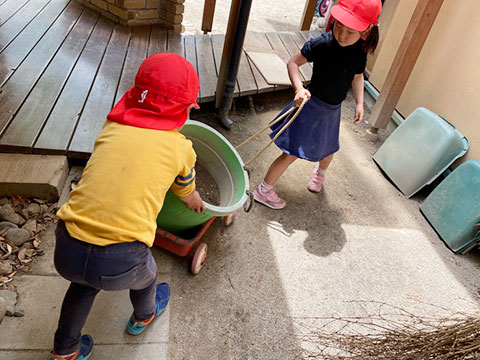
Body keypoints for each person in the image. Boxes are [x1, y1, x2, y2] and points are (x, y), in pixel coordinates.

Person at [49, 53, 205, 360]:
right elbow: (186, 192)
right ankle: (144, 315)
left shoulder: (113, 125)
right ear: (183, 110)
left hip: (67, 243)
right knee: (147, 275)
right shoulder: (180, 148)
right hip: (120, 257)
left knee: (83, 285)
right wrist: (195, 200)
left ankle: (65, 350)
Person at [253, 0, 382, 209]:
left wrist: (360, 103)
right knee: (292, 152)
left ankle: (319, 174)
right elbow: (293, 63)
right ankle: (263, 190)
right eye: (338, 25)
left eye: (350, 31)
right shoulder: (323, 43)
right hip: (310, 107)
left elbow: (358, 77)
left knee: (329, 148)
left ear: (366, 30)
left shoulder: (360, 52)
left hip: (332, 111)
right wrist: (299, 88)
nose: (341, 34)